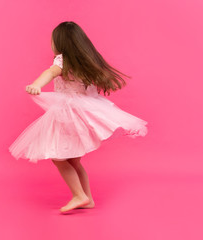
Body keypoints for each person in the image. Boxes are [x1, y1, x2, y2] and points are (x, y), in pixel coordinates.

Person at [8, 21, 148, 213]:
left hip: (68, 113)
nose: (51, 44)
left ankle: (79, 195)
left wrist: (36, 85)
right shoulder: (87, 59)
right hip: (83, 113)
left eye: (52, 40)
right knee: (73, 161)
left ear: (60, 43)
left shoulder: (62, 60)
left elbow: (49, 72)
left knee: (58, 158)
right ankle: (87, 198)